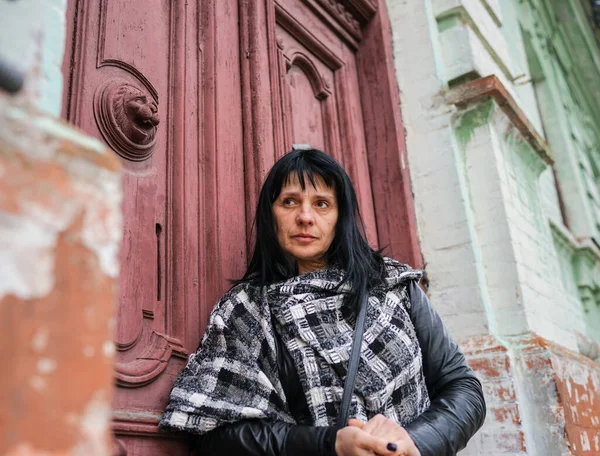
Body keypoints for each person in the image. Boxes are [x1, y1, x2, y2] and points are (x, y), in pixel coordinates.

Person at [160, 148, 486, 455]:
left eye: (321, 204)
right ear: (270, 215)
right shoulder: (245, 311)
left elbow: (463, 388)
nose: (305, 216)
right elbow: (215, 436)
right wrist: (329, 444)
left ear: (338, 217)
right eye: (289, 202)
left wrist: (411, 442)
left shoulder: (392, 285)